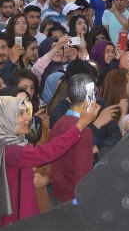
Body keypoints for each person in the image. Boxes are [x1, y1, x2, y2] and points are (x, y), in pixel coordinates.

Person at [0, 95, 101, 228]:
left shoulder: (4, 145)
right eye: (20, 114)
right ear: (3, 119)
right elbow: (49, 151)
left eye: (27, 112)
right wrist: (81, 124)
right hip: (18, 217)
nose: (28, 118)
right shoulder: (10, 149)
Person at [48, 74, 118, 206]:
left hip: (58, 196)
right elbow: (82, 175)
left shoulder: (59, 123)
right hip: (75, 201)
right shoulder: (82, 131)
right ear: (90, 98)